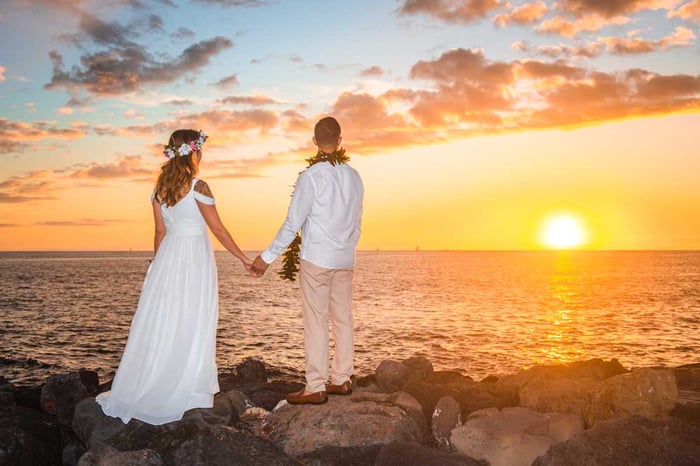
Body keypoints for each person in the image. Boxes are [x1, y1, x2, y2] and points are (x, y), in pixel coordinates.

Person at [96, 129, 252, 425]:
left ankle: (158, 378)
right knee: (192, 317)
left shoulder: (159, 191)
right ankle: (189, 387)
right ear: (194, 153)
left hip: (167, 259)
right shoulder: (198, 186)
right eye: (200, 151)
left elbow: (159, 233)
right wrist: (244, 258)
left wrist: (158, 264)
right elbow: (218, 230)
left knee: (165, 320)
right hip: (193, 259)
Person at [251, 117, 364, 405]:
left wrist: (267, 257)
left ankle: (315, 386)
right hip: (344, 259)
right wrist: (347, 247)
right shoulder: (354, 176)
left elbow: (293, 222)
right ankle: (342, 379)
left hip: (317, 258)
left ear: (314, 142)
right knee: (343, 318)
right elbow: (357, 222)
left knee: (316, 320)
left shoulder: (311, 177)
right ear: (340, 140)